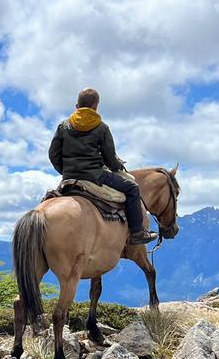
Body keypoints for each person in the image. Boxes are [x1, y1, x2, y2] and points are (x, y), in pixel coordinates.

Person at [49, 88, 157, 246]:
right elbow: (110, 159)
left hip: (69, 177)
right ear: (96, 106)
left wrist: (66, 171)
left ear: (76, 105)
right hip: (96, 175)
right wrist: (117, 166)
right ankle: (136, 232)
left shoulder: (63, 126)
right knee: (133, 188)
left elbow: (53, 154)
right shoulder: (101, 127)